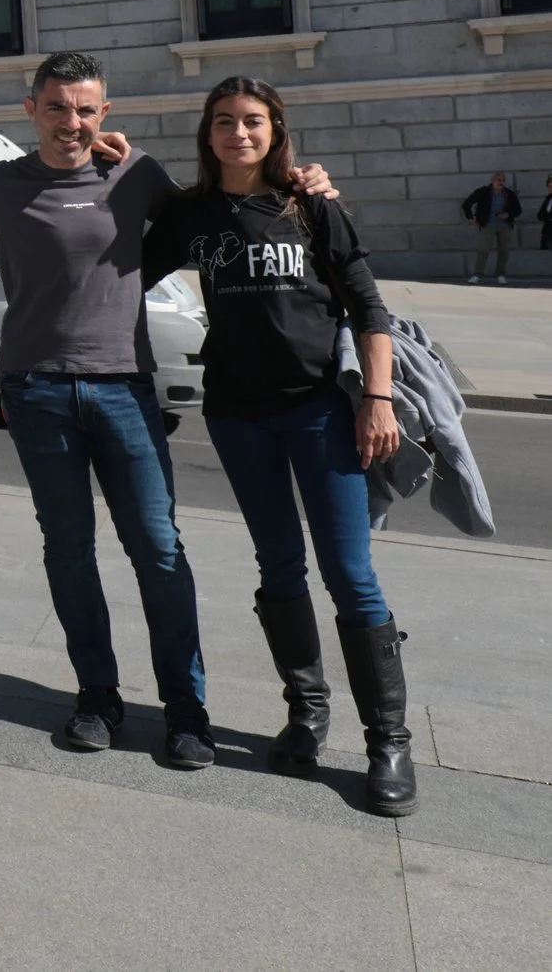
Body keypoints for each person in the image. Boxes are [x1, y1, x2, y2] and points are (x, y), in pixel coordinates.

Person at [0, 51, 236, 767]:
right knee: (69, 550)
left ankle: (187, 710)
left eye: (87, 109)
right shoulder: (1, 185)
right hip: (36, 391)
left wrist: (306, 189)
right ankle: (97, 693)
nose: (73, 122)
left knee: (158, 550)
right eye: (58, 107)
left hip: (124, 387)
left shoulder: (137, 174)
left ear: (106, 114)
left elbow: (218, 208)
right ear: (30, 108)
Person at [144, 78, 416, 815]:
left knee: (350, 573)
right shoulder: (191, 215)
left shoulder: (310, 204)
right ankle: (307, 710)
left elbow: (369, 306)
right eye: (225, 121)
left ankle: (388, 739)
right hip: (237, 416)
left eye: (253, 121)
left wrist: (378, 397)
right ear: (207, 132)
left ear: (275, 130)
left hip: (319, 413)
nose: (239, 132)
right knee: (279, 565)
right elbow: (121, 270)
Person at [461, 172, 521, 284]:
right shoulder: (483, 192)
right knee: (483, 250)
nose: (500, 182)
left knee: (504, 251)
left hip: (504, 226)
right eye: (498, 179)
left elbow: (518, 210)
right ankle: (477, 274)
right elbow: (466, 204)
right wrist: (470, 219)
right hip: (488, 225)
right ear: (492, 180)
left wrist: (508, 214)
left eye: (502, 180)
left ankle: (501, 274)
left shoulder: (509, 194)